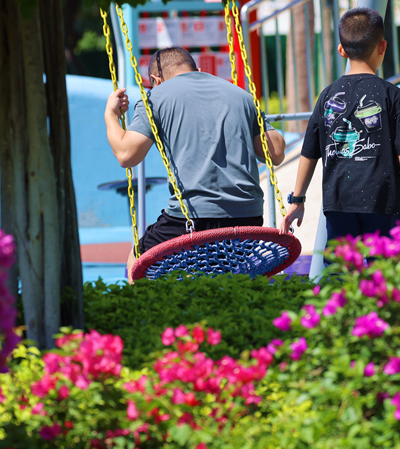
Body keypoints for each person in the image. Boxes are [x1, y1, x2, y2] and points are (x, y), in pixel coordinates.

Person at [105, 46, 286, 281]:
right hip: (248, 218)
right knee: (227, 278)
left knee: (136, 263)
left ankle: (154, 317)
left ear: (155, 80)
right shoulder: (240, 95)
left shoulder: (156, 97)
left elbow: (126, 155)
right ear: (197, 71)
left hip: (191, 218)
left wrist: (111, 114)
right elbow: (277, 153)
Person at [280, 7, 400, 243]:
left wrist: (297, 200)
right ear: (382, 47)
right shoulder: (393, 95)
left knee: (340, 269)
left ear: (341, 50)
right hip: (383, 201)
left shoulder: (327, 96)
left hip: (338, 201)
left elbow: (309, 153)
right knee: (384, 268)